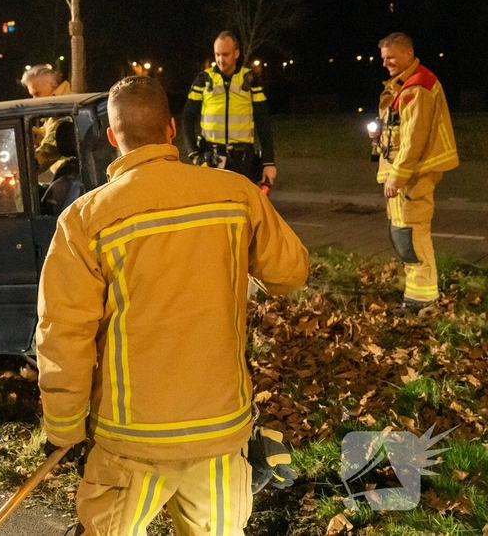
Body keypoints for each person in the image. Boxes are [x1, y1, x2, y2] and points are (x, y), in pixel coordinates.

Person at [37, 76, 309, 535]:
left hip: (132, 439)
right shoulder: (236, 194)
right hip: (220, 431)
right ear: (170, 130)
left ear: (112, 138)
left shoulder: (85, 220)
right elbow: (291, 272)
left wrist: (64, 429)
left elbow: (62, 332)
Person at [374, 32, 458, 315]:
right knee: (405, 234)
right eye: (384, 58)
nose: (386, 63)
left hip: (411, 176)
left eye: (391, 57)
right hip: (406, 175)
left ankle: (422, 300)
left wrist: (396, 176)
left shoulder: (417, 87)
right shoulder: (406, 85)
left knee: (411, 235)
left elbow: (414, 138)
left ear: (408, 54)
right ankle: (418, 296)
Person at [182, 31, 276, 187]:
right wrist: (194, 155)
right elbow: (187, 118)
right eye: (217, 54)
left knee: (243, 209)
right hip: (211, 160)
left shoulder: (250, 80)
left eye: (225, 54)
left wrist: (268, 162)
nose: (220, 60)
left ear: (237, 53)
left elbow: (263, 122)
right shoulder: (204, 80)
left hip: (243, 162)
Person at [21, 64, 73, 172]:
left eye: (37, 93)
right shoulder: (55, 106)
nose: (34, 99)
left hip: (70, 178)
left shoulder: (62, 110)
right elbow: (51, 131)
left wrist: (22, 170)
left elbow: (50, 148)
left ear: (52, 85)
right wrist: (37, 133)